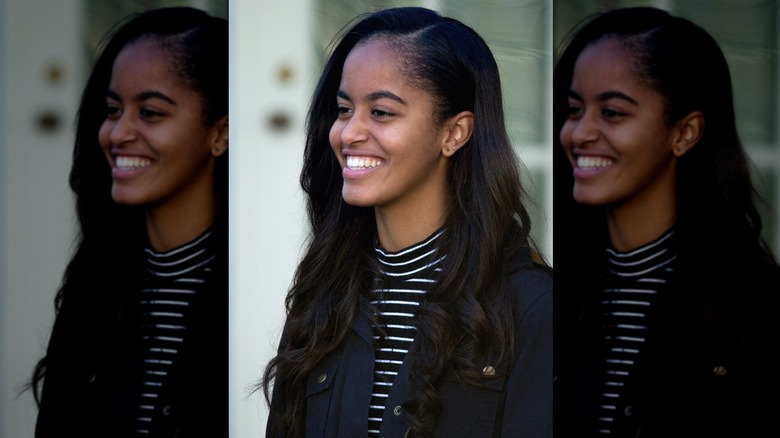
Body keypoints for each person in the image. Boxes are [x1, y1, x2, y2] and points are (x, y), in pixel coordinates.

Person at [262, 6, 552, 438]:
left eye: (380, 112)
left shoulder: (531, 308)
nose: (348, 133)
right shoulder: (322, 292)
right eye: (344, 109)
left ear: (454, 133)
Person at [552, 6, 780, 437]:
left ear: (684, 133)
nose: (580, 133)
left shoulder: (754, 310)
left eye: (613, 112)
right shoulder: (548, 295)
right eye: (574, 109)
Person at [30, 7, 228, 437]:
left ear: (219, 133)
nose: (118, 133)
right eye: (112, 109)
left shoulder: (242, 296)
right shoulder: (98, 282)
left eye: (151, 113)